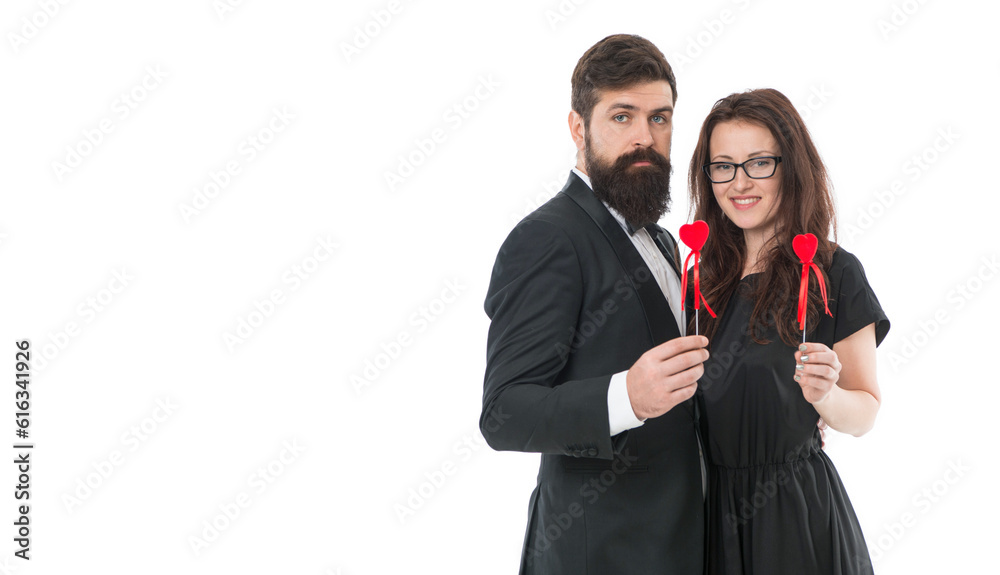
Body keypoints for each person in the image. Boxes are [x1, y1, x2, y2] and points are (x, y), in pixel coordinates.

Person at [481, 35, 710, 574]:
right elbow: (504, 413)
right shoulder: (547, 238)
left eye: (659, 118)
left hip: (680, 545)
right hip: (599, 554)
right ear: (578, 128)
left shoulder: (661, 240)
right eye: (622, 117)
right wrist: (626, 396)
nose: (644, 137)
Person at [686, 88, 890, 574]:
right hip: (708, 518)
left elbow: (864, 412)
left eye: (759, 163)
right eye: (723, 166)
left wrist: (826, 395)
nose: (739, 182)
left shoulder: (833, 272)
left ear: (791, 167)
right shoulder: (697, 281)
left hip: (796, 519)